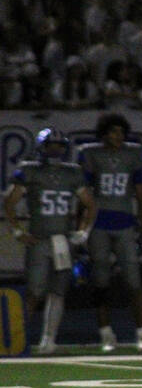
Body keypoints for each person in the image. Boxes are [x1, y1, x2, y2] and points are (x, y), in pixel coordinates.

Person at [3, 128, 96, 354]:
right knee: (34, 291)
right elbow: (9, 203)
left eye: (59, 145)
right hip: (40, 239)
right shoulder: (30, 170)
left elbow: (91, 205)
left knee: (58, 291)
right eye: (50, 145)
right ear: (41, 147)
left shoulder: (73, 173)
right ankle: (17, 339)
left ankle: (49, 340)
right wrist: (17, 231)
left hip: (62, 240)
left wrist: (83, 232)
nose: (55, 149)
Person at [78, 113, 142, 352]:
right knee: (101, 280)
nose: (118, 136)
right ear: (104, 134)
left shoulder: (133, 154)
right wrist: (81, 228)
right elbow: (84, 195)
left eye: (121, 132)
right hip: (98, 223)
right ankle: (106, 333)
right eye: (113, 132)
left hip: (124, 223)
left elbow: (140, 194)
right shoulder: (91, 154)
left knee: (134, 280)